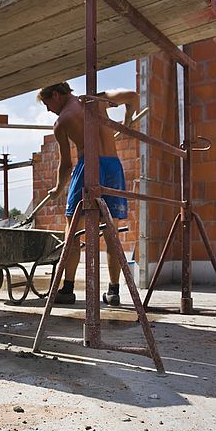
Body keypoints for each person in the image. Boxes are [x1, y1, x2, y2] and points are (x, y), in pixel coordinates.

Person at [37, 82, 139, 306]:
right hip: (113, 167)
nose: (47, 109)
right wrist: (128, 120)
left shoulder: (62, 121)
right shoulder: (95, 100)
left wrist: (57, 189)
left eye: (47, 103)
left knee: (73, 228)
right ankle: (113, 291)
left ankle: (67, 289)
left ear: (55, 94)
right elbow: (132, 95)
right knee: (111, 231)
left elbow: (65, 165)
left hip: (88, 165)